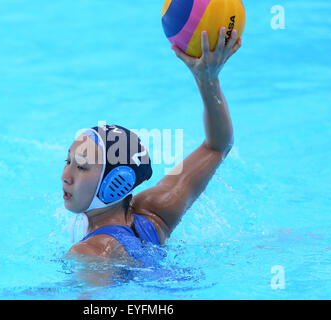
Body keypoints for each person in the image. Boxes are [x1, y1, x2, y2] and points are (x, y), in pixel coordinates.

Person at [62, 28, 242, 266]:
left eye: (82, 167)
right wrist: (208, 81)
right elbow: (217, 147)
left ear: (115, 183)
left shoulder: (92, 253)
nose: (66, 176)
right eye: (68, 162)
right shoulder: (154, 213)